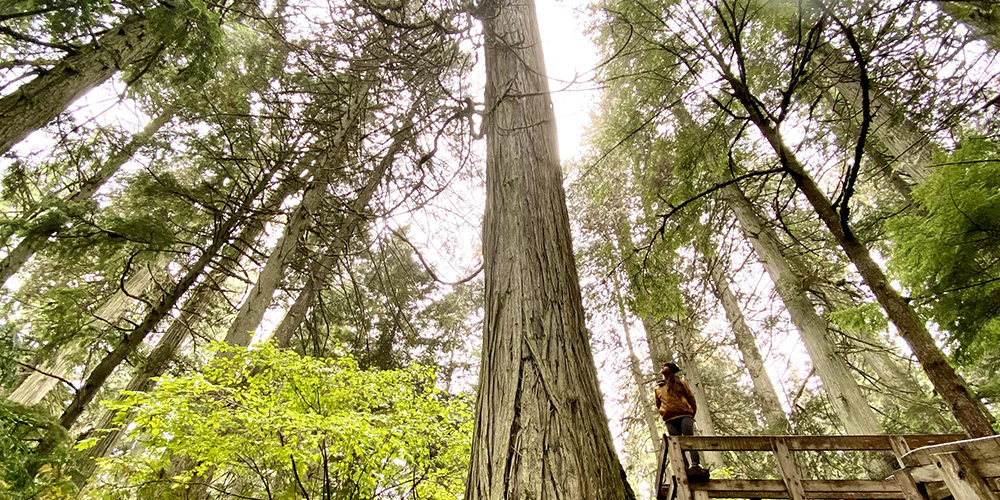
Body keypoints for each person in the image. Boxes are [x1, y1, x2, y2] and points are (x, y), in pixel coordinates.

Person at [654, 361, 707, 473]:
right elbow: (658, 404)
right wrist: (664, 413)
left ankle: (695, 465)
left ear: (671, 370)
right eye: (662, 366)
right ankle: (684, 467)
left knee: (689, 439)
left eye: (665, 366)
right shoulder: (658, 388)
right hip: (669, 419)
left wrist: (691, 413)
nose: (663, 367)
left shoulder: (681, 383)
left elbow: (690, 398)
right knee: (676, 443)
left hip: (685, 415)